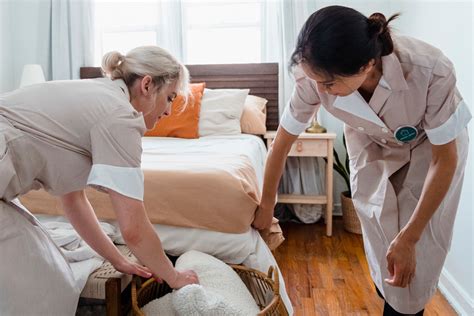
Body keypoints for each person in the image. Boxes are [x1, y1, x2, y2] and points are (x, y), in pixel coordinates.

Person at [252, 5, 471, 315]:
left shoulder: (429, 69)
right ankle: (388, 292)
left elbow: (444, 159)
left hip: (431, 148)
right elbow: (281, 143)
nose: (320, 91)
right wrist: (265, 205)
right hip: (369, 139)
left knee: (418, 246)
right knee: (378, 226)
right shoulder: (314, 76)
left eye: (329, 84)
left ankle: (405, 306)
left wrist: (409, 237)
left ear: (368, 64)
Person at [0, 46, 198, 315]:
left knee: (44, 264)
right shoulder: (120, 118)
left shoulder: (98, 95)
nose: (169, 110)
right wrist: (175, 277)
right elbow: (134, 229)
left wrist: (116, 258)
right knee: (46, 283)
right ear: (148, 85)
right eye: (170, 98)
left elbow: (74, 199)